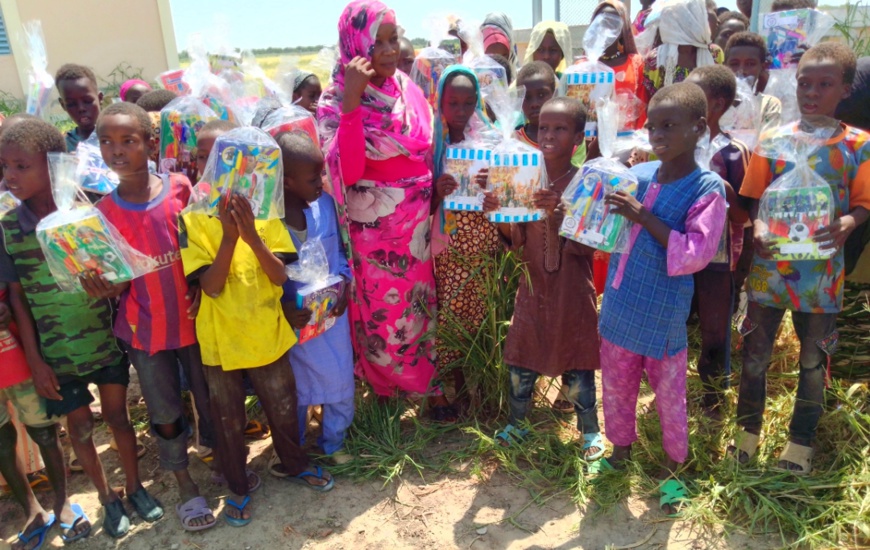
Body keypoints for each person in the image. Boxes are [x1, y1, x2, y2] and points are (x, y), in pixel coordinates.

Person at [0, 117, 163, 539]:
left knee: (118, 417)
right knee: (81, 428)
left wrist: (109, 289)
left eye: (21, 166)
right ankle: (107, 497)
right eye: (5, 167)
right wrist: (35, 359)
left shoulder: (87, 212)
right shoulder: (9, 229)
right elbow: (17, 297)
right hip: (57, 355)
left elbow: (123, 275)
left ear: (52, 165)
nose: (9, 176)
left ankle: (134, 485)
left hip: (103, 341)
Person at [730, 43, 870, 476]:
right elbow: (753, 199)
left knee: (813, 361)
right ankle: (746, 434)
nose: (812, 92)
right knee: (755, 354)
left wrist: (848, 221)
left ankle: (800, 443)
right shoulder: (773, 141)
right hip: (771, 271)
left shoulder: (858, 145)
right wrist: (756, 229)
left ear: (845, 89)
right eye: (805, 83)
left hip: (823, 275)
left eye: (825, 84)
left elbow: (864, 203)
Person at [180, 134, 333, 528]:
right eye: (207, 160)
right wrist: (230, 238)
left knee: (282, 407)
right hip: (222, 341)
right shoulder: (194, 218)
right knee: (227, 419)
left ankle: (294, 464)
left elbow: (280, 276)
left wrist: (251, 235)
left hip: (267, 332)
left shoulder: (266, 212)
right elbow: (210, 287)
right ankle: (237, 485)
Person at [85, 102, 217, 532]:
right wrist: (105, 286)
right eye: (107, 141)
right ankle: (181, 476)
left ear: (150, 143)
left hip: (195, 322)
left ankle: (219, 458)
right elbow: (117, 280)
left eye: (128, 140)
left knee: (207, 395)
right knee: (164, 407)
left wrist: (198, 284)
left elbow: (202, 246)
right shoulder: (103, 212)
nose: (117, 150)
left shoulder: (180, 188)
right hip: (146, 331)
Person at [598, 82, 726, 516]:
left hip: (663, 316)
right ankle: (620, 452)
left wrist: (642, 215)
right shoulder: (641, 174)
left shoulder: (708, 188)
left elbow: (695, 253)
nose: (657, 135)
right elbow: (609, 232)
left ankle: (674, 476)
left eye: (669, 126)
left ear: (699, 127)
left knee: (670, 401)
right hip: (619, 303)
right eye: (652, 126)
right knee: (615, 388)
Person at [318, 1, 449, 415]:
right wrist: (353, 102)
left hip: (417, 229)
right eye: (378, 42)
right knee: (384, 310)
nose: (391, 50)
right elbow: (348, 169)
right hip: (375, 233)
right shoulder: (336, 98)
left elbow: (425, 149)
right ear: (354, 44)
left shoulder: (406, 90)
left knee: (420, 306)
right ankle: (388, 393)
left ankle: (425, 385)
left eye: (394, 40)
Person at [482, 97, 603, 459]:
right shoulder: (524, 179)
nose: (549, 135)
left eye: (560, 128)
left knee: (579, 360)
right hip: (533, 286)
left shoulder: (587, 182)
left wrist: (562, 212)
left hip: (572, 290)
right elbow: (516, 239)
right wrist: (498, 211)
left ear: (579, 138)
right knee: (522, 357)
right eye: (543, 128)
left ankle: (590, 431)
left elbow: (591, 243)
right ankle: (518, 424)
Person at [277, 132, 355, 465]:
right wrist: (281, 307)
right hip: (292, 323)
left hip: (330, 317)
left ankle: (333, 441)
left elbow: (339, 252)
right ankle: (294, 446)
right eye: (313, 178)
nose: (321, 183)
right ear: (288, 182)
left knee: (338, 377)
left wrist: (345, 286)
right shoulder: (269, 220)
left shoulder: (326, 205)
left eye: (322, 174)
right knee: (294, 388)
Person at [430, 66, 500, 410]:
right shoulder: (433, 141)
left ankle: (485, 385)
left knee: (482, 313)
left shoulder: (489, 140)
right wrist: (437, 192)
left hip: (483, 242)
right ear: (440, 101)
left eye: (468, 103)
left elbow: (507, 195)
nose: (460, 111)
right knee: (451, 314)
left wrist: (494, 184)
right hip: (449, 245)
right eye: (452, 103)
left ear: (477, 103)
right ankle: (452, 388)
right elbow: (420, 200)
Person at [0, 278, 85, 548]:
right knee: (1, 440)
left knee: (43, 431)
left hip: (12, 348)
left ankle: (62, 503)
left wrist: (8, 310)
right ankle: (32, 510)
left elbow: (15, 287)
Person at [686, 65, 751, 419]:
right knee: (678, 320)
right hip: (678, 252)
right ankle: (674, 389)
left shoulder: (732, 152)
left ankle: (713, 395)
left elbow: (744, 215)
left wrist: (723, 190)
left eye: (695, 95)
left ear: (717, 104)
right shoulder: (675, 144)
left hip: (718, 258)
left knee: (714, 327)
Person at [642, 0, 724, 99]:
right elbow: (650, 100)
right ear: (690, 23)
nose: (717, 25)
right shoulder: (656, 59)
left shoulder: (715, 53)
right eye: (704, 22)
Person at [55, 64, 103, 152]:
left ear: (100, 98)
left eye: (87, 101)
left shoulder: (118, 135)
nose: (81, 109)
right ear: (63, 105)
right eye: (71, 104)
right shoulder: (65, 146)